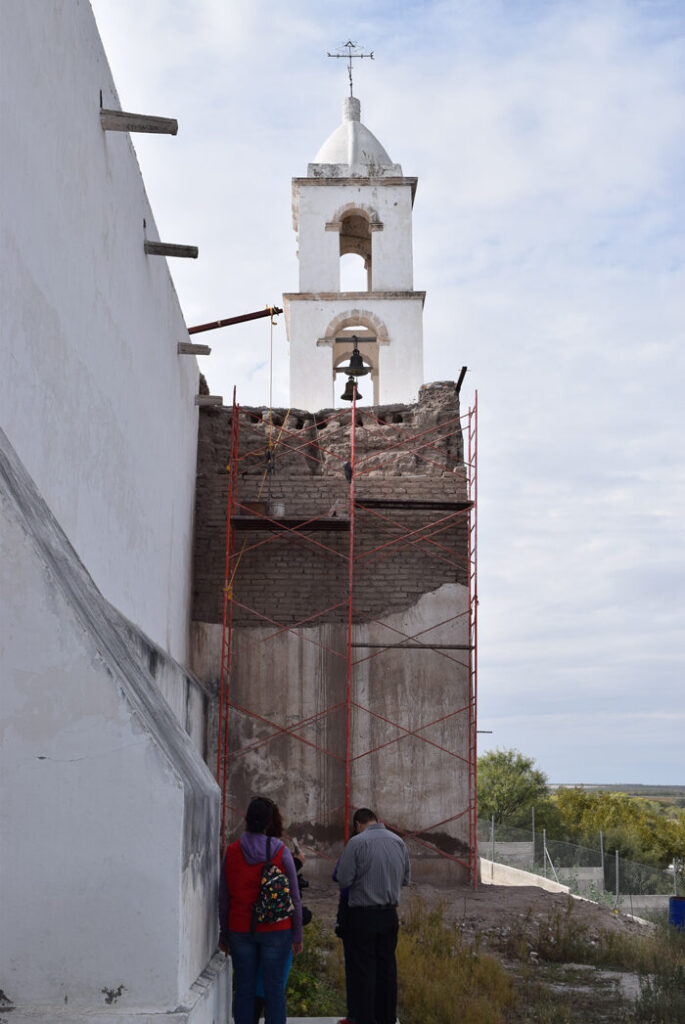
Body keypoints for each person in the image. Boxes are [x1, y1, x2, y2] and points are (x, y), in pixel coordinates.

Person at [219, 797, 303, 1024]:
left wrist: (224, 934)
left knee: (244, 989)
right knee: (274, 991)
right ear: (268, 823)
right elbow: (293, 895)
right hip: (276, 929)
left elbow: (224, 897)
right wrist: (297, 934)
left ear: (247, 820)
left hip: (240, 929)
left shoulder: (232, 851)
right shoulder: (281, 851)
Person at [335, 808, 410, 1024]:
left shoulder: (357, 843)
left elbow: (344, 880)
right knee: (387, 971)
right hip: (389, 916)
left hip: (363, 916)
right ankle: (386, 1018)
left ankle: (364, 1019)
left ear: (358, 824)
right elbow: (405, 880)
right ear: (377, 820)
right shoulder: (399, 842)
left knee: (364, 971)